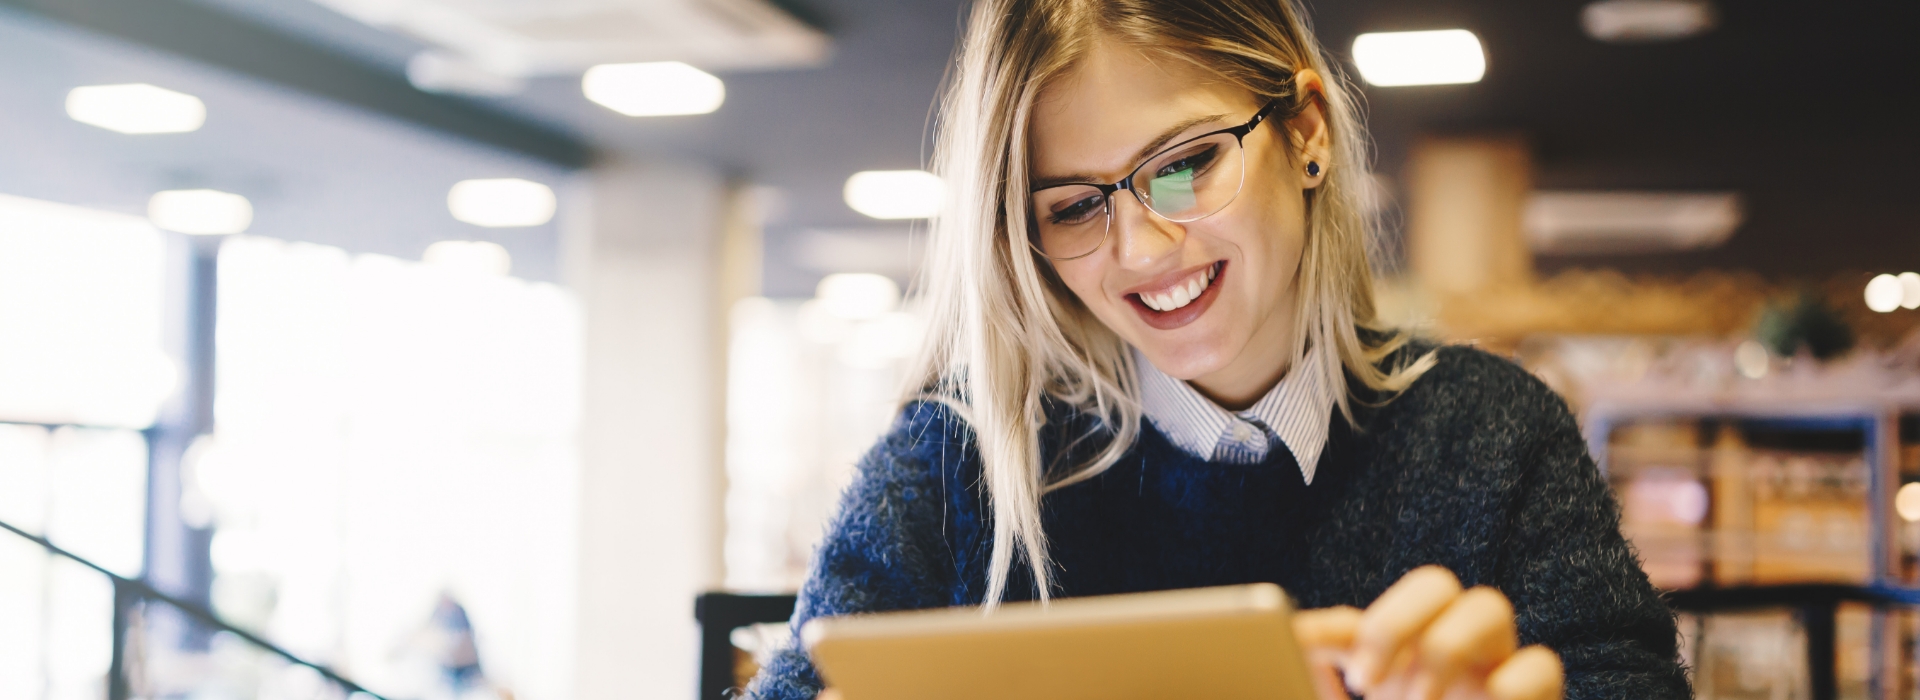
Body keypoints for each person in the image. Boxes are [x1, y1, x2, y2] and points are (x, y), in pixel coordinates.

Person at [748, 0, 1690, 698]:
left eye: (1186, 164)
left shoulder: (1493, 434)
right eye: (1075, 205)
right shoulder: (961, 457)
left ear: (1307, 134)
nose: (1143, 250)